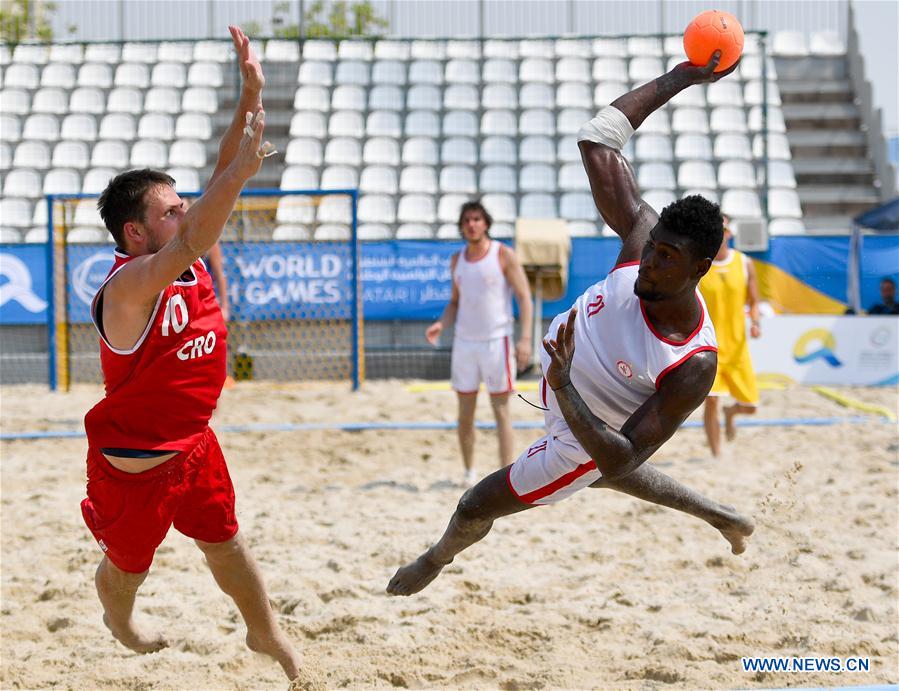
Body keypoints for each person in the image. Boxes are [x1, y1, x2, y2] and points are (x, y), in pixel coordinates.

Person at [388, 52, 755, 598]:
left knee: (479, 502)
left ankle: (435, 559)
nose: (649, 264)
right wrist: (682, 78)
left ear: (699, 269)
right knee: (603, 475)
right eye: (651, 250)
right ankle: (720, 514)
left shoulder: (693, 362)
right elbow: (598, 140)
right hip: (556, 380)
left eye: (666, 260)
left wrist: (563, 385)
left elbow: (620, 455)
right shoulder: (641, 238)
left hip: (582, 436)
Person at [79, 27, 305, 684]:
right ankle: (119, 620)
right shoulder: (126, 285)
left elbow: (222, 167)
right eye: (172, 210)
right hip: (135, 466)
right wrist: (238, 176)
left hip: (195, 442)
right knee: (129, 568)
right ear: (136, 231)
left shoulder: (184, 251)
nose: (186, 214)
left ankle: (266, 633)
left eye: (184, 207)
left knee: (225, 542)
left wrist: (251, 92)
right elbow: (204, 218)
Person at [426, 200, 533, 486]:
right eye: (467, 220)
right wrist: (441, 323)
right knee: (465, 415)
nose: (472, 224)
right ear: (462, 226)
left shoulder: (502, 254)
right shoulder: (457, 260)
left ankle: (507, 477)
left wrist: (525, 339)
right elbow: (454, 302)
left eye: (476, 219)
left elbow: (524, 297)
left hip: (496, 341)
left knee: (501, 411)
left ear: (485, 223)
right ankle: (469, 472)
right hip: (464, 343)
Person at [699, 215, 761, 457]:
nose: (719, 234)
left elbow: (754, 301)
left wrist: (755, 322)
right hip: (708, 347)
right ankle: (716, 455)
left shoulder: (744, 263)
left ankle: (731, 414)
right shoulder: (700, 265)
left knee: (751, 407)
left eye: (722, 229)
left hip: (737, 348)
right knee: (712, 401)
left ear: (730, 233)